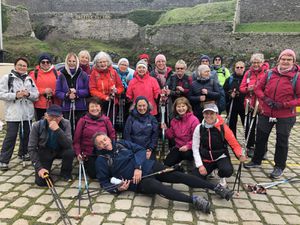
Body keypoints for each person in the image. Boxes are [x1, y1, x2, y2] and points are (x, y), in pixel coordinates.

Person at [94, 133, 234, 214]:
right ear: (98, 147)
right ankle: (194, 201)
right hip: (138, 182)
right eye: (100, 143)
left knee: (178, 176)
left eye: (104, 139)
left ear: (108, 137)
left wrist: (138, 166)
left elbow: (141, 150)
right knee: (161, 188)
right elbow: (104, 182)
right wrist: (118, 188)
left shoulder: (121, 143)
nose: (104, 143)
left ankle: (215, 188)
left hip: (148, 166)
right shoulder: (100, 161)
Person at [244, 49, 300, 179]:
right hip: (267, 111)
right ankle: (257, 160)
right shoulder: (270, 73)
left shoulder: (297, 76)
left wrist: (285, 104)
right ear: (279, 60)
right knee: (261, 137)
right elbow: (257, 88)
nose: (285, 62)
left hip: (286, 115)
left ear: (293, 61)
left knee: (282, 141)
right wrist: (265, 99)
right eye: (283, 59)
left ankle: (279, 166)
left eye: (289, 59)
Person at [192, 103, 247, 186]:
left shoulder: (223, 128)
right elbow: (195, 148)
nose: (209, 116)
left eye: (212, 113)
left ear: (216, 114)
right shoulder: (199, 128)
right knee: (195, 180)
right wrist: (200, 166)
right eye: (206, 113)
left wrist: (240, 155)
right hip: (206, 158)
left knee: (227, 171)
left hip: (220, 156)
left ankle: (221, 176)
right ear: (203, 114)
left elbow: (234, 144)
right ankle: (210, 171)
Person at [0, 57, 39, 170]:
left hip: (27, 114)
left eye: (24, 65)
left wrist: (28, 94)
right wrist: (15, 95)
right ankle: (3, 160)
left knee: (26, 135)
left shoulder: (29, 79)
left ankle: (23, 153)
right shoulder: (7, 78)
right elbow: (1, 94)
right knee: (11, 136)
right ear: (15, 65)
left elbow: (36, 95)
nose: (22, 67)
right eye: (20, 65)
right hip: (13, 113)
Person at [28, 104, 74, 186]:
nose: (54, 119)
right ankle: (46, 170)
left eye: (57, 117)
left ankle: (65, 173)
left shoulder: (66, 123)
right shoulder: (37, 125)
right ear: (45, 115)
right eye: (51, 116)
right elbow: (31, 148)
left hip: (61, 149)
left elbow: (68, 144)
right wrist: (39, 168)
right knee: (41, 182)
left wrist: (58, 130)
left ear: (61, 116)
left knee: (70, 152)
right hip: (45, 151)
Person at [73, 97, 116, 179]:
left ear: (100, 107)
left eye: (97, 106)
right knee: (94, 175)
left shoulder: (105, 120)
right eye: (92, 106)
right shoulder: (83, 121)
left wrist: (112, 148)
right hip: (89, 152)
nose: (94, 108)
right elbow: (76, 139)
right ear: (88, 108)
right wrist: (78, 153)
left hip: (104, 151)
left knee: (109, 172)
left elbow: (112, 135)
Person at [239, 53, 269, 157]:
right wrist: (249, 89)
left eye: (258, 62)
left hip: (262, 105)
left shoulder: (267, 73)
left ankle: (263, 149)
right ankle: (250, 146)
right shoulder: (248, 73)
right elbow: (242, 88)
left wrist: (259, 89)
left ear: (262, 62)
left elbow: (270, 88)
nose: (255, 64)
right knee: (249, 127)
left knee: (262, 128)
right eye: (254, 62)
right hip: (250, 104)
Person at [55, 52, 90, 136]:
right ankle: (68, 147)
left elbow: (87, 90)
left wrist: (77, 93)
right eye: (69, 61)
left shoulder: (83, 74)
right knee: (67, 130)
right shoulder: (61, 75)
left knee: (80, 129)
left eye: (74, 61)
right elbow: (57, 92)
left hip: (80, 107)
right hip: (66, 107)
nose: (71, 63)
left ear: (77, 62)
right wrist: (66, 95)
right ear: (66, 62)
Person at [161, 97, 199, 167]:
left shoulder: (194, 120)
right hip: (178, 147)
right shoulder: (174, 121)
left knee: (186, 154)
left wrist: (188, 146)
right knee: (167, 163)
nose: (181, 109)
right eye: (178, 106)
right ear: (175, 108)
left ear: (187, 107)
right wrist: (166, 129)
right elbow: (171, 135)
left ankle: (190, 163)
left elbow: (197, 138)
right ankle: (180, 166)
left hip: (190, 148)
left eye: (183, 106)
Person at [89, 51, 124, 120]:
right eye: (100, 62)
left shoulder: (113, 72)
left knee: (110, 122)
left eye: (104, 62)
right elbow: (92, 90)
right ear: (97, 63)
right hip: (99, 103)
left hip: (112, 102)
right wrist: (105, 97)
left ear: (108, 62)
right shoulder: (94, 73)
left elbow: (120, 87)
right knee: (99, 122)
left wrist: (116, 90)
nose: (103, 64)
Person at [29, 53, 60, 120]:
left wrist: (53, 92)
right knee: (41, 126)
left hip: (54, 104)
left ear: (50, 63)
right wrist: (44, 91)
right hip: (39, 105)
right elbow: (31, 89)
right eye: (43, 62)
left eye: (48, 62)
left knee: (54, 125)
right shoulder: (34, 74)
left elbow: (61, 87)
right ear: (39, 63)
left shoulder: (57, 73)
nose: (45, 64)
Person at [223, 61, 246, 137]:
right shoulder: (230, 79)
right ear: (234, 68)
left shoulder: (247, 79)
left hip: (244, 106)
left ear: (244, 68)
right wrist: (230, 94)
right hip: (232, 105)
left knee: (246, 124)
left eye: (241, 67)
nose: (239, 69)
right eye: (237, 67)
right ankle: (233, 141)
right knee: (232, 124)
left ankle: (249, 142)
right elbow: (224, 92)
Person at [114, 58, 134, 128]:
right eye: (122, 64)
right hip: (116, 97)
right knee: (115, 113)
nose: (123, 66)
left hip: (126, 98)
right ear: (118, 65)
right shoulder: (114, 73)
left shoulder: (130, 75)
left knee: (125, 114)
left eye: (125, 65)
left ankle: (123, 129)